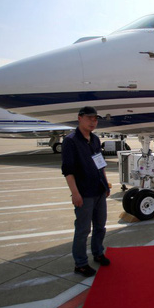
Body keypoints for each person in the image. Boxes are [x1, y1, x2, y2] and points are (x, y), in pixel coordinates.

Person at [61, 106, 111, 276]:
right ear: (79, 118)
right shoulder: (71, 141)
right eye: (89, 118)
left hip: (99, 190)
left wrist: (105, 184)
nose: (93, 122)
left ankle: (98, 253)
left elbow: (100, 163)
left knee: (100, 226)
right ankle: (80, 263)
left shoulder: (95, 139)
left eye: (95, 119)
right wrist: (75, 193)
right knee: (83, 230)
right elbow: (68, 170)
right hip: (84, 193)